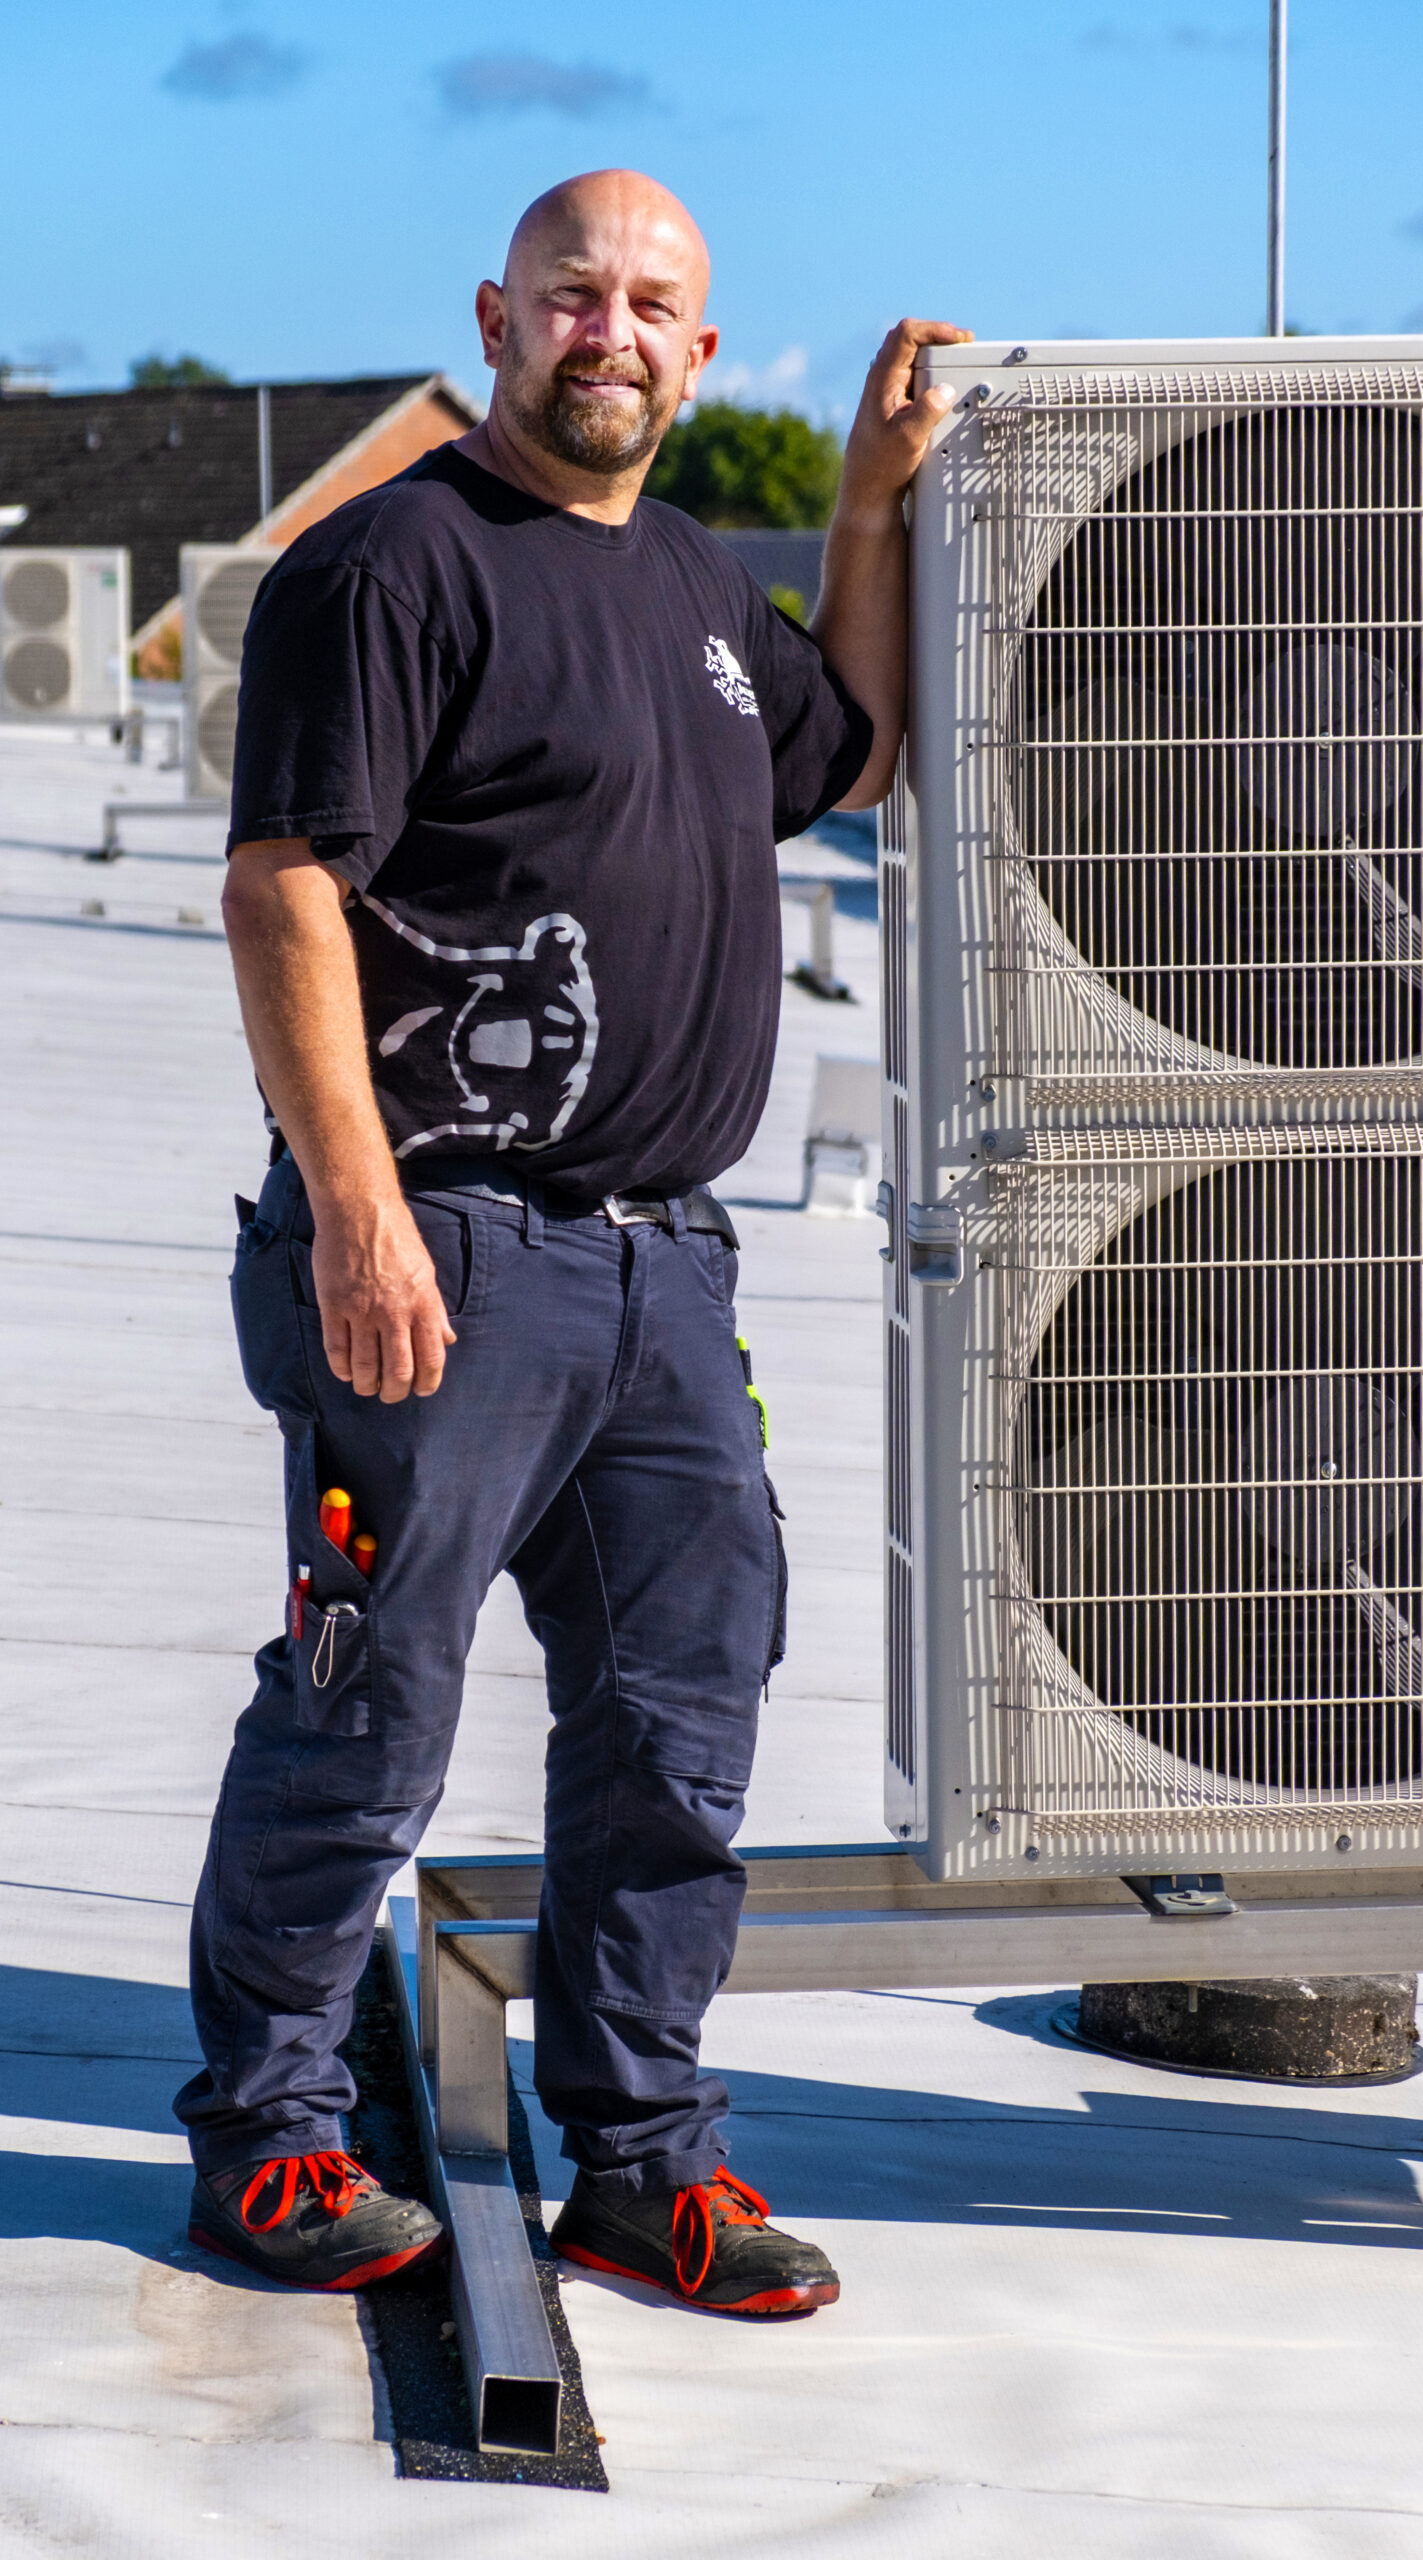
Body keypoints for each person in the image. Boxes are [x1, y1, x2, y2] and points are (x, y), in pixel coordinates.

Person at [177, 165, 966, 2311]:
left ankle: (642, 2156)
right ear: (499, 318)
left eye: (651, 301)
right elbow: (281, 892)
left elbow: (856, 749)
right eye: (570, 292)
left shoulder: (702, 582)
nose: (609, 327)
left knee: (680, 1719)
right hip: (445, 1250)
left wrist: (865, 501)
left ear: (698, 351)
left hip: (660, 1275)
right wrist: (356, 1214)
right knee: (370, 1709)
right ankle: (265, 2135)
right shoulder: (397, 562)